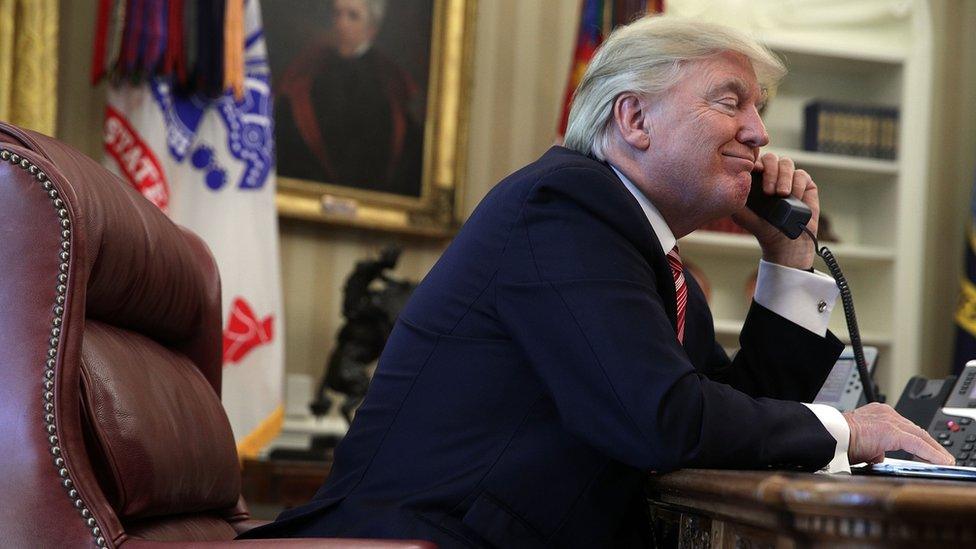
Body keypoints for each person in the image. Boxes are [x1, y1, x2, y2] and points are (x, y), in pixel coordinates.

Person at [243, 16, 953, 548]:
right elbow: (660, 418)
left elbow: (735, 417)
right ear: (634, 118)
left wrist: (788, 261)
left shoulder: (655, 262)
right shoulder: (565, 208)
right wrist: (849, 429)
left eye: (758, 107)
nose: (760, 132)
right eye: (731, 101)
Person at [274, 0, 423, 196]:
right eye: (337, 14)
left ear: (372, 28)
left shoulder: (389, 81)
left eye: (352, 16)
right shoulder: (308, 69)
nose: (341, 24)